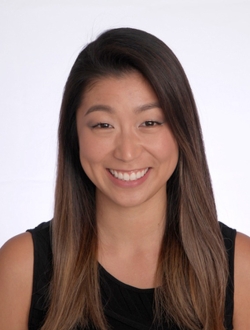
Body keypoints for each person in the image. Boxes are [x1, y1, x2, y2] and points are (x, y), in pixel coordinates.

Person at [0, 27, 250, 330]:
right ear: (74, 134)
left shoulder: (241, 266)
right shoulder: (20, 266)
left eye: (150, 122)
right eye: (104, 125)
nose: (127, 152)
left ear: (182, 131)